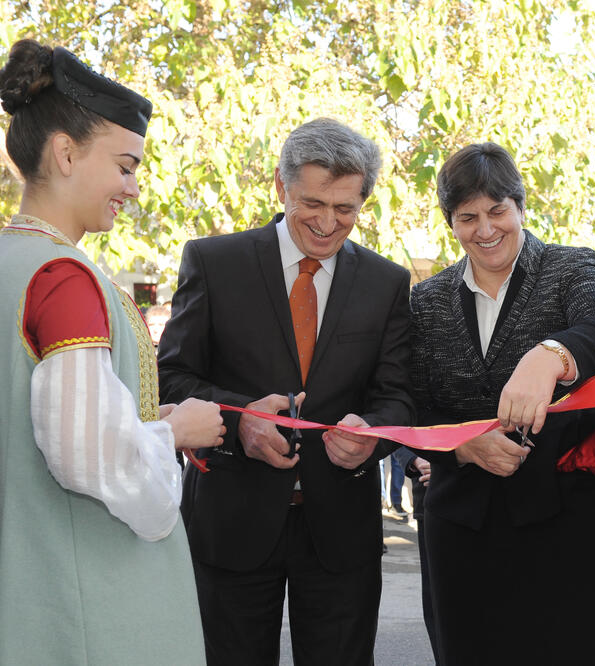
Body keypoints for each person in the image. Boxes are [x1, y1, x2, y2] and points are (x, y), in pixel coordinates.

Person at [0, 39, 225, 664]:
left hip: (38, 587)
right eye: (124, 166)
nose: (133, 188)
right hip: (91, 600)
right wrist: (174, 432)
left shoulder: (4, 262)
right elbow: (91, 455)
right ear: (65, 153)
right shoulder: (64, 276)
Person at [157, 117, 414, 665]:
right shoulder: (213, 262)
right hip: (230, 525)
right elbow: (172, 376)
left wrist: (373, 436)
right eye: (313, 204)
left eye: (345, 210)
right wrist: (237, 421)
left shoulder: (386, 282)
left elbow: (397, 397)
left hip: (342, 533)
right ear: (281, 186)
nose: (327, 224)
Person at [409, 142, 595, 665]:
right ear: (452, 223)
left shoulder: (571, 267)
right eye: (468, 218)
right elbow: (414, 403)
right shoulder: (427, 299)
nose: (485, 230)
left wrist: (550, 355)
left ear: (520, 206)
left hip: (566, 523)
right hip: (461, 527)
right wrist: (464, 446)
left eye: (496, 212)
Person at [392, 446, 437, 662]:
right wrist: (416, 461)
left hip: (491, 492)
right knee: (439, 608)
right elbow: (400, 428)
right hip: (431, 499)